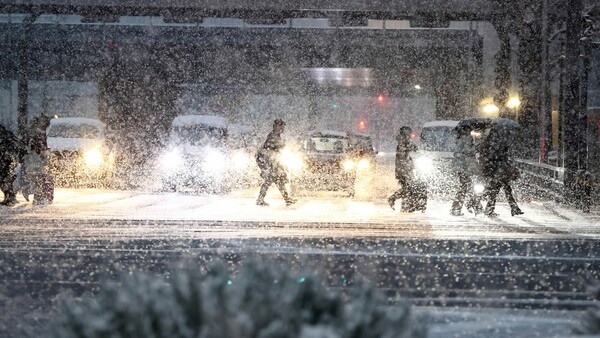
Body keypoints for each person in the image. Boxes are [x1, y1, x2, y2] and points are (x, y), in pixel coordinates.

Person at [480, 127, 523, 217]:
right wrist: (505, 152)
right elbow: (499, 156)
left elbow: (488, 156)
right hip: (499, 170)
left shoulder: (489, 143)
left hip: (495, 170)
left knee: (497, 190)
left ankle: (489, 208)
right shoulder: (497, 144)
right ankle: (513, 208)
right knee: (503, 189)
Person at [255, 119, 295, 206]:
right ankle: (260, 199)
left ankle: (286, 198)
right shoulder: (273, 136)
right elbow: (270, 150)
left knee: (277, 180)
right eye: (281, 126)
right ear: (277, 127)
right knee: (272, 180)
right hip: (270, 163)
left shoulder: (276, 136)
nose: (282, 128)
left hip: (272, 163)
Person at [450, 127, 484, 216]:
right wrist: (469, 152)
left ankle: (462, 207)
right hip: (463, 168)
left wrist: (476, 145)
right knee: (465, 187)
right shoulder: (464, 139)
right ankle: (472, 206)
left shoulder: (467, 138)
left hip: (464, 168)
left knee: (466, 187)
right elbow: (460, 153)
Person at [387, 126, 418, 211]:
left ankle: (405, 206)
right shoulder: (402, 142)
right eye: (409, 133)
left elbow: (414, 150)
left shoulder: (405, 142)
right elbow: (403, 157)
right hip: (403, 170)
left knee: (408, 188)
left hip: (406, 170)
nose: (410, 135)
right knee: (408, 188)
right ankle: (394, 199)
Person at [0, 124, 23, 206]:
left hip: (4, 159)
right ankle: (10, 197)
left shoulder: (4, 136)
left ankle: (10, 197)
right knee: (6, 179)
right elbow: (15, 144)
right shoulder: (7, 134)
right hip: (6, 159)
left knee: (4, 179)